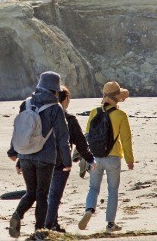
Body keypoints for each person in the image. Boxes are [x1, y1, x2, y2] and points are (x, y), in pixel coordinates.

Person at [7, 71, 72, 238]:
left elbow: (18, 130)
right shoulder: (56, 108)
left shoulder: (26, 103)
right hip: (46, 157)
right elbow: (63, 137)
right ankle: (39, 231)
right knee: (42, 195)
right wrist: (67, 161)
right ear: (55, 90)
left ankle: (17, 215)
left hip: (26, 155)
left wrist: (14, 151)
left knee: (31, 192)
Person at [78, 81, 134, 233]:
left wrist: (85, 156)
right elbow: (126, 139)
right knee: (113, 190)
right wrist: (130, 160)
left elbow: (87, 136)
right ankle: (110, 223)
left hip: (95, 157)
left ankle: (89, 209)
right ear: (117, 98)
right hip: (113, 158)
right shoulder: (121, 115)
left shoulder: (94, 112)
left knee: (93, 187)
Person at [44, 86, 96, 233]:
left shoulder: (42, 115)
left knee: (48, 193)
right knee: (54, 195)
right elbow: (81, 143)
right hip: (61, 162)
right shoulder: (70, 119)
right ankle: (48, 226)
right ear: (66, 99)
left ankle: (53, 223)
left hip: (40, 160)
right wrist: (91, 160)